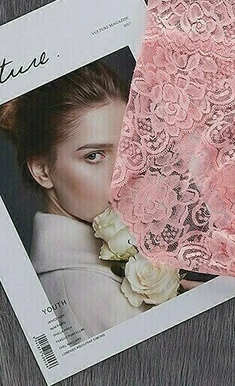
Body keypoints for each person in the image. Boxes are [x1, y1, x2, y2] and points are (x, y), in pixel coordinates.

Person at [0, 60, 149, 342]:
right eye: (94, 156)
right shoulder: (90, 295)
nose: (124, 173)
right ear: (43, 171)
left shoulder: (99, 268)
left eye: (128, 147)